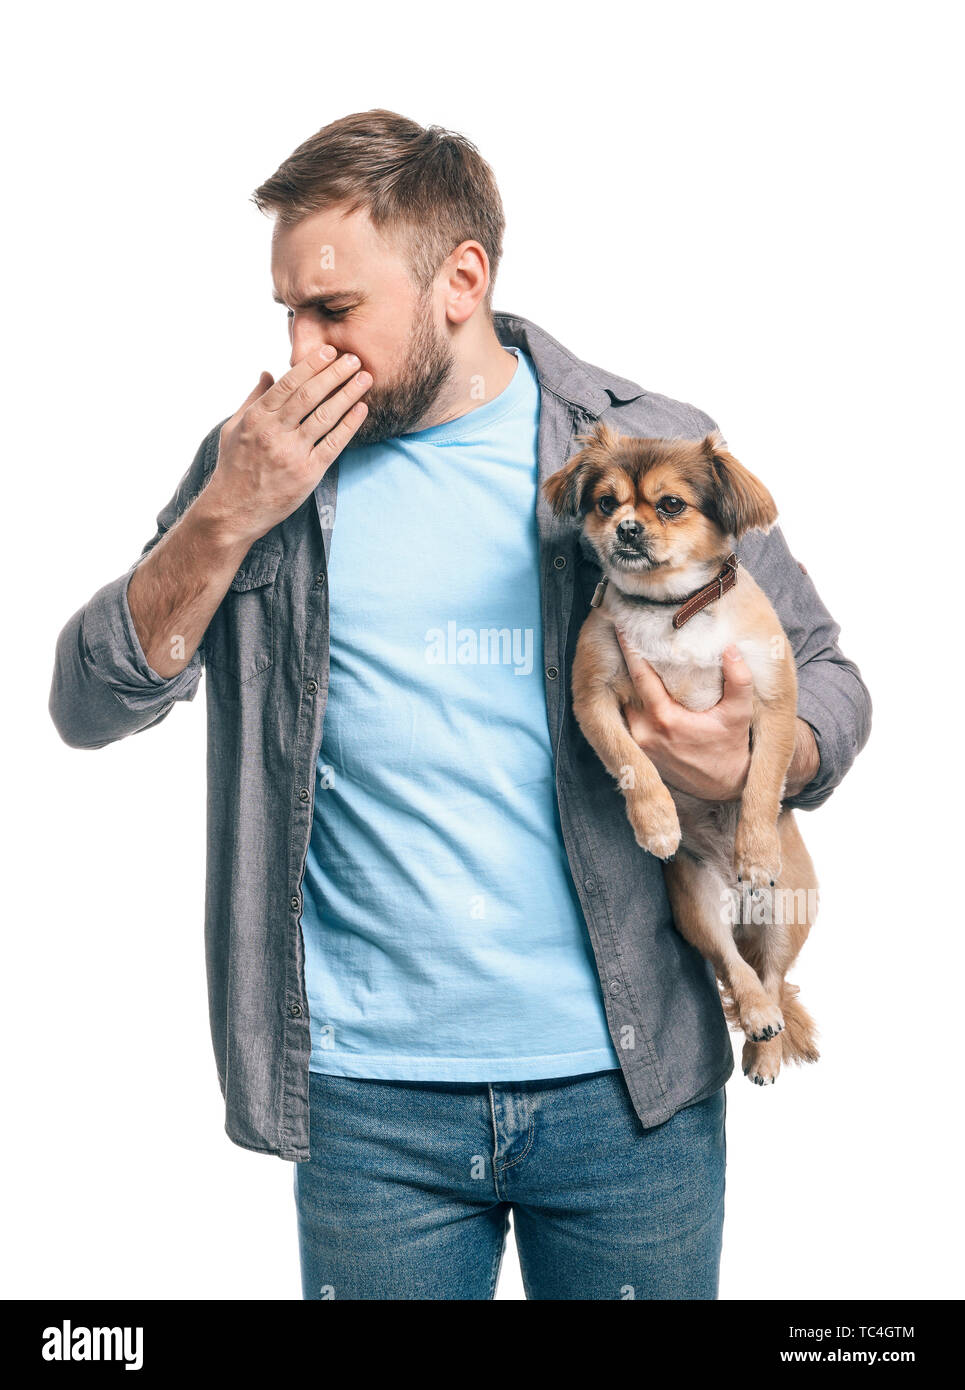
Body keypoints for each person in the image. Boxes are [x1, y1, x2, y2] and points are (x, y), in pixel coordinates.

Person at [48, 109, 872, 1300]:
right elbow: (90, 703)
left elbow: (831, 683)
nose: (300, 348)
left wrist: (754, 752)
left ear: (459, 280)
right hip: (366, 1110)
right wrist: (227, 512)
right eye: (286, 310)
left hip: (627, 1090)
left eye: (334, 311)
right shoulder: (257, 465)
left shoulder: (626, 448)